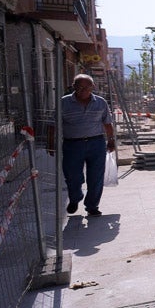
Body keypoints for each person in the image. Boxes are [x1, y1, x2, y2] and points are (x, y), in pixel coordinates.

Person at [60, 74, 115, 217]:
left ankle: (92, 206)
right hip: (72, 145)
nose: (83, 90)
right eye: (80, 87)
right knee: (72, 176)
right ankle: (75, 197)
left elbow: (107, 123)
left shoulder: (101, 102)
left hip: (96, 143)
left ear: (93, 87)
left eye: (87, 87)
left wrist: (111, 140)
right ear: (73, 87)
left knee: (96, 177)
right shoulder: (64, 103)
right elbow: (53, 125)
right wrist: (50, 142)